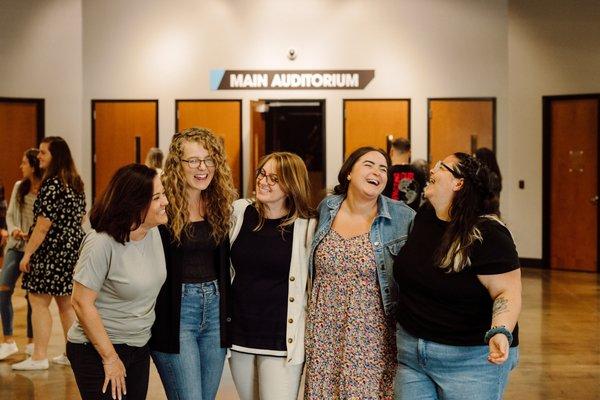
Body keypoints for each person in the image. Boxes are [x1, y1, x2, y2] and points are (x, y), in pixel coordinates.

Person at [393, 153, 521, 400]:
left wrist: (500, 331)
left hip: (470, 361)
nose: (431, 170)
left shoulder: (490, 235)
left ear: (458, 182)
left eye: (441, 166)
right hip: (412, 355)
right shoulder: (425, 217)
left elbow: (507, 292)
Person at [304, 146, 415, 399]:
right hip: (323, 332)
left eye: (383, 168)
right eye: (368, 164)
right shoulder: (327, 208)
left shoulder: (402, 217)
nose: (377, 171)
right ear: (349, 173)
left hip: (372, 336)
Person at [66, 163, 168, 400]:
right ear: (134, 204)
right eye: (156, 197)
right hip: (97, 349)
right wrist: (110, 358)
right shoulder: (101, 242)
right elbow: (81, 303)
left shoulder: (153, 232)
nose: (165, 202)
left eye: (163, 194)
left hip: (138, 346)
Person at [150, 127, 237, 400]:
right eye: (193, 161)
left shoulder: (220, 203)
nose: (203, 168)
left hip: (214, 311)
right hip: (176, 314)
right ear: (177, 164)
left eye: (209, 159)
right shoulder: (160, 207)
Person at [229, 152, 316, 400]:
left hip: (281, 340)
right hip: (240, 337)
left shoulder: (306, 225)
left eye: (274, 178)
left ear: (291, 185)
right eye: (262, 173)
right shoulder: (240, 212)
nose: (263, 181)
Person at [12, 136, 86, 371]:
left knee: (38, 301)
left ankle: (39, 356)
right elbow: (82, 217)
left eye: (43, 153)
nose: (39, 156)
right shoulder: (75, 181)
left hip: (50, 252)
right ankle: (71, 354)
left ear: (56, 156)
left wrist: (27, 255)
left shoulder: (51, 184)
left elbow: (43, 224)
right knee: (66, 304)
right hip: (71, 250)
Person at [0, 149, 42, 360]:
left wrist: (32, 235)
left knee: (32, 296)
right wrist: (15, 229)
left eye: (24, 163)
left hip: (35, 249)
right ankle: (8, 340)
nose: (21, 166)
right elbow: (10, 215)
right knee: (3, 288)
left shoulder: (45, 189)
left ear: (33, 165)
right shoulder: (19, 187)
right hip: (16, 246)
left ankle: (32, 342)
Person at [382, 138, 426, 211]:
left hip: (389, 216)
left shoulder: (386, 172)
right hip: (412, 216)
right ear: (410, 152)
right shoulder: (419, 172)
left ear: (391, 151)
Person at [474, 147, 502, 215]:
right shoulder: (493, 175)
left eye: (476, 159)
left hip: (486, 213)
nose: (474, 161)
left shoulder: (491, 177)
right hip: (489, 212)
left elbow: (487, 198)